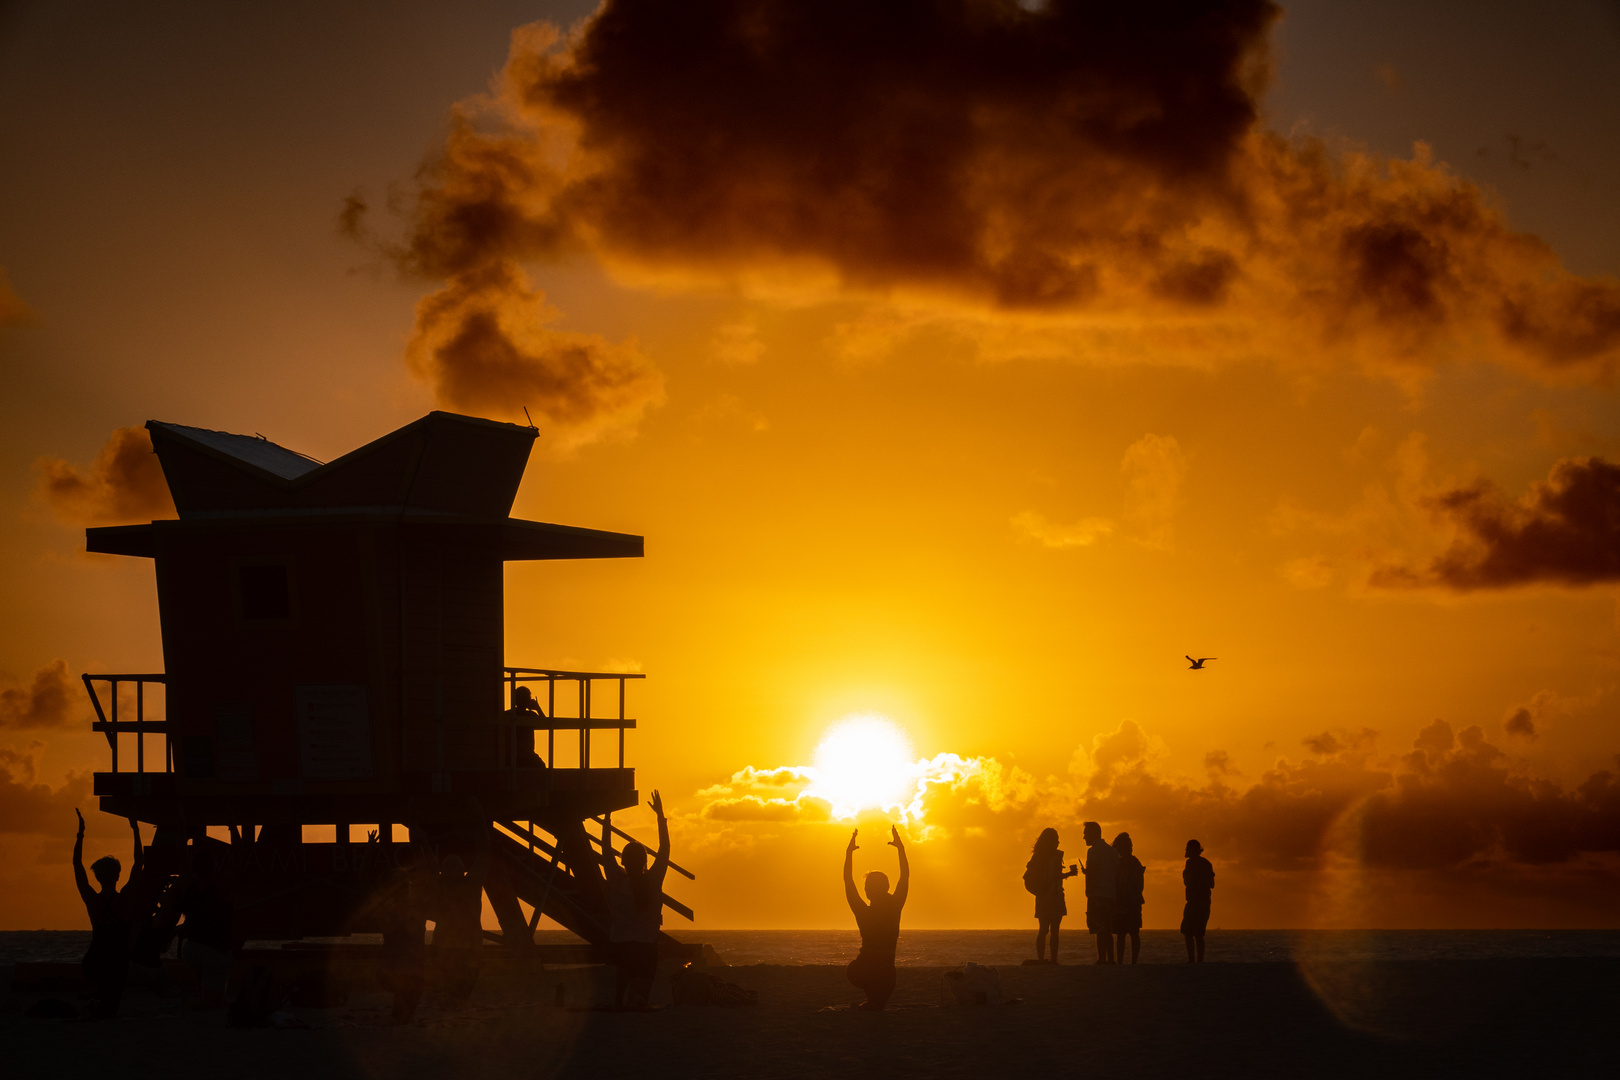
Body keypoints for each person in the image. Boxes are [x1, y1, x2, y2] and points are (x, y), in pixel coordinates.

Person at [602, 789, 671, 1009]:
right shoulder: (653, 880)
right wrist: (660, 817)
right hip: (647, 946)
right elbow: (665, 848)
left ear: (623, 861)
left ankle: (620, 998)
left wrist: (606, 816)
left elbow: (604, 849)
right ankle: (640, 997)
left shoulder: (615, 879)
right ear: (644, 861)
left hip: (620, 943)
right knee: (646, 964)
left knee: (624, 966)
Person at [72, 809, 143, 1018]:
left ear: (98, 877)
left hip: (93, 961)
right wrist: (136, 830)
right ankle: (99, 1002)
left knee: (105, 1003)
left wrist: (81, 835)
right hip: (116, 962)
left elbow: (77, 865)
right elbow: (139, 863)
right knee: (111, 1006)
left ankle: (96, 1001)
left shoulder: (92, 900)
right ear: (118, 875)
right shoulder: (125, 899)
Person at [842, 825, 909, 1009]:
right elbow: (905, 877)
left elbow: (848, 881)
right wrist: (901, 850)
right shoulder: (895, 906)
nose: (865, 890)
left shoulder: (864, 912)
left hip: (865, 972)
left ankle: (871, 1001)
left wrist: (849, 854)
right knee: (876, 1004)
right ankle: (872, 1001)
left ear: (871, 891)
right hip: (887, 976)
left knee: (855, 972)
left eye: (867, 887)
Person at [430, 828, 490, 1008]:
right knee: (452, 990)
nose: (450, 869)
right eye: (448, 865)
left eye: (453, 865)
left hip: (464, 944)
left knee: (459, 992)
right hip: (452, 944)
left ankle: (454, 1000)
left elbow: (484, 854)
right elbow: (484, 853)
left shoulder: (469, 884)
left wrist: (481, 822)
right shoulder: (445, 885)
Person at [173, 843, 236, 1008]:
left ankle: (204, 995)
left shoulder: (188, 885)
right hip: (215, 949)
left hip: (191, 949)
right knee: (212, 1001)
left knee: (205, 971)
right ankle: (205, 1000)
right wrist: (232, 824)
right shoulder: (222, 887)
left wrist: (182, 823)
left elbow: (181, 854)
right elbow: (238, 851)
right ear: (214, 865)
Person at [1023, 828, 1077, 963]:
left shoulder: (1046, 856)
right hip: (1048, 896)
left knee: (1049, 930)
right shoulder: (1044, 857)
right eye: (1056, 839)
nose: (1058, 842)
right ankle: (1047, 960)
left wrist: (1068, 874)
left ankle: (1049, 960)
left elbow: (1054, 877)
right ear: (1049, 841)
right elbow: (1053, 877)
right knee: (1048, 930)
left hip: (1050, 895)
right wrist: (1068, 874)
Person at [1080, 821, 1117, 964]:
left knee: (1100, 928)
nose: (1084, 837)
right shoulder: (1111, 851)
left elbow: (1093, 873)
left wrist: (1088, 890)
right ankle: (1111, 959)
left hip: (1098, 894)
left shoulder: (1093, 851)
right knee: (1108, 928)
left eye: (1085, 834)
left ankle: (1101, 959)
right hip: (1111, 894)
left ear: (1093, 833)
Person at [1113, 832, 1145, 965]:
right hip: (1125, 902)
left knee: (1131, 932)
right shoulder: (1121, 863)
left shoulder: (1134, 863)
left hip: (1131, 903)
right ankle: (1123, 961)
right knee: (1123, 934)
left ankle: (1132, 962)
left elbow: (1136, 885)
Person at [1181, 839, 1215, 963]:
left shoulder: (1190, 863)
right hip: (1205, 901)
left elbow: (1187, 882)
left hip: (1194, 901)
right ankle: (1200, 960)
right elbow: (1212, 884)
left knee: (1187, 931)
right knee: (1199, 934)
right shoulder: (1207, 863)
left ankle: (1191, 959)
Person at [503, 685, 547, 768]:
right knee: (542, 768)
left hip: (509, 755)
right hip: (527, 756)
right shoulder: (530, 715)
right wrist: (538, 708)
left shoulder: (507, 714)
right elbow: (546, 724)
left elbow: (545, 724)